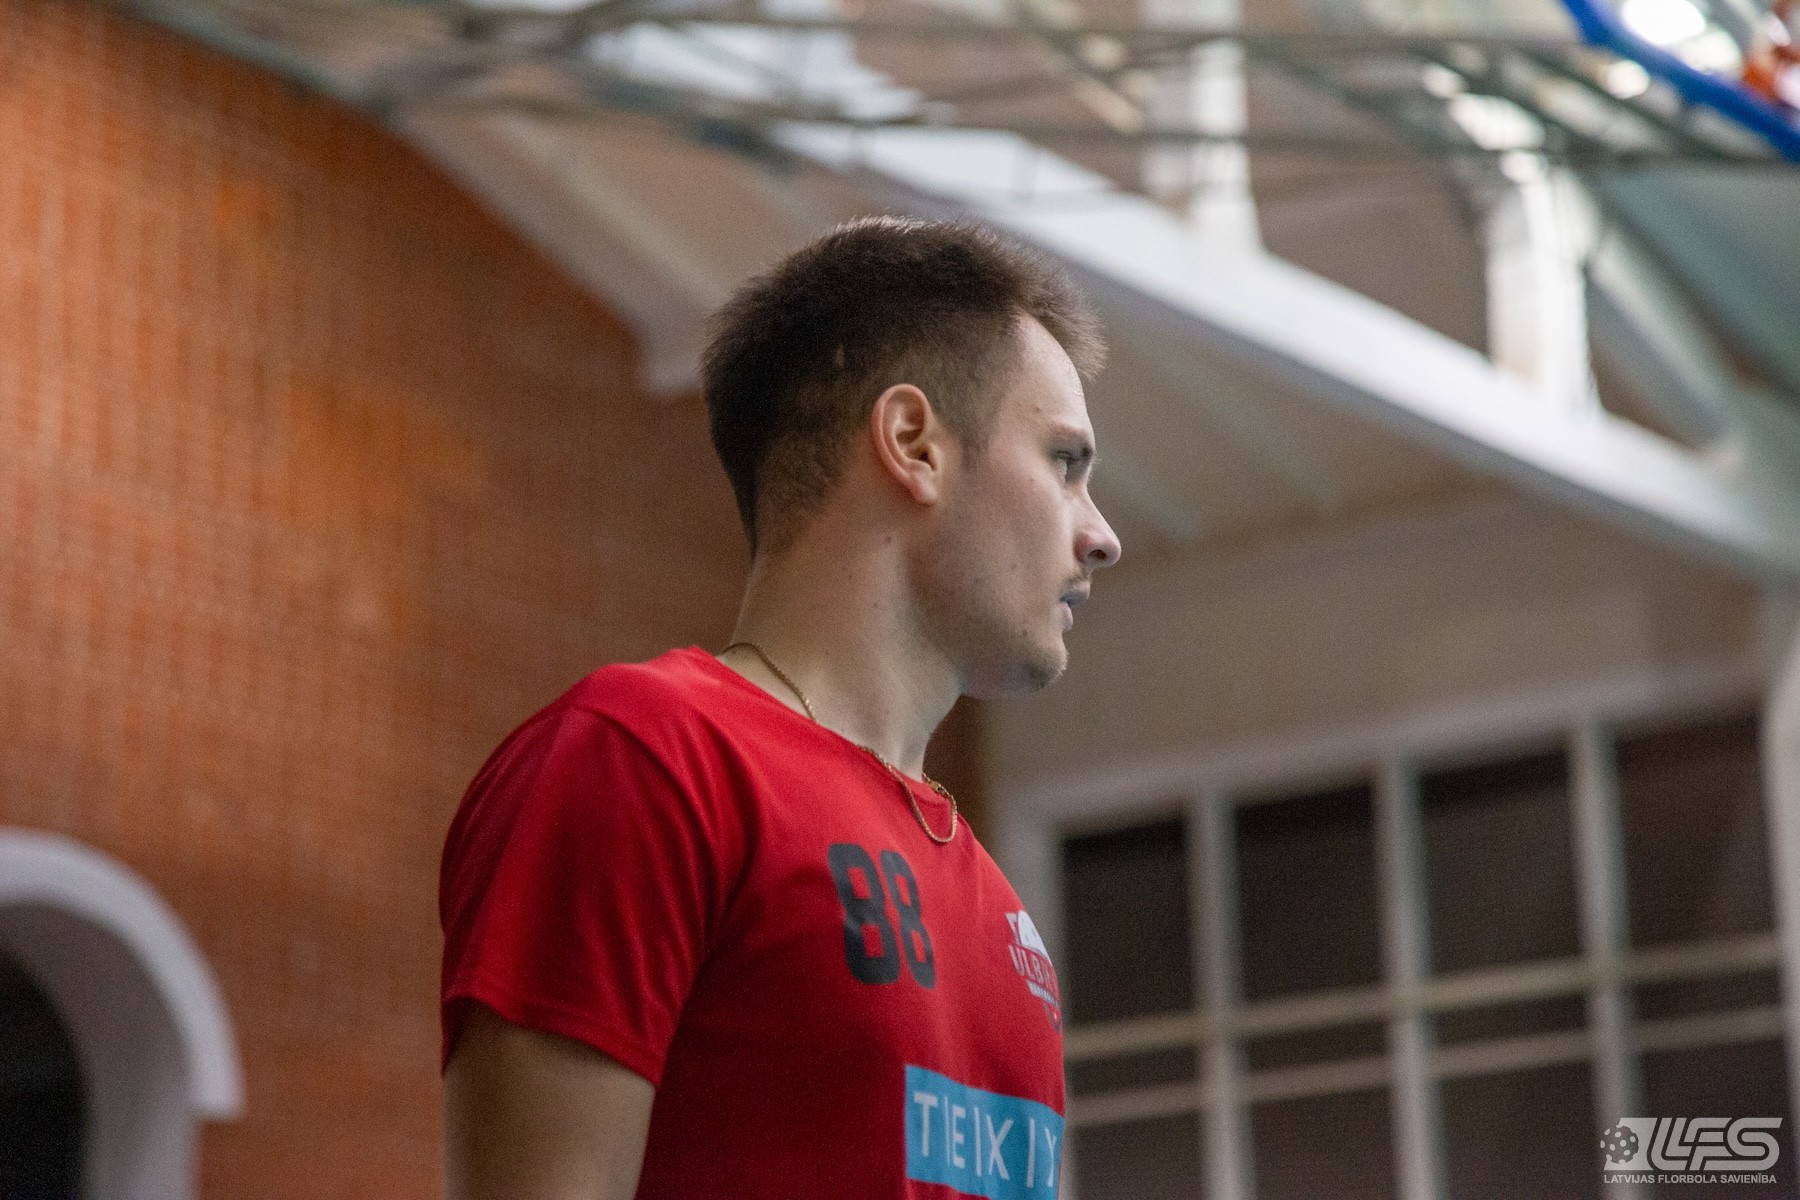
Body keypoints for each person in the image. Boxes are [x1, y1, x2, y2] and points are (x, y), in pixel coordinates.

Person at [438, 216, 1123, 1199]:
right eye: (1065, 462)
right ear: (915, 444)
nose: (1101, 535)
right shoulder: (645, 758)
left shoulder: (1005, 918)